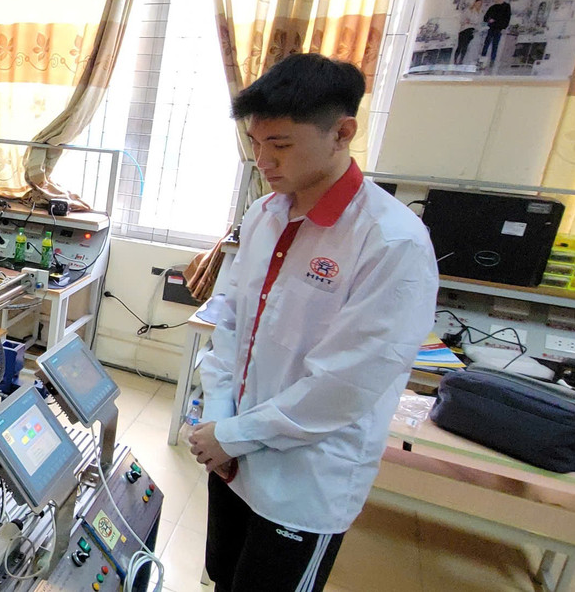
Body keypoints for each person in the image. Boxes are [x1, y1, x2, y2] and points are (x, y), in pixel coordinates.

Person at [188, 54, 438, 591]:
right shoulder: (265, 216)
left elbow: (343, 386)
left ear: (342, 132)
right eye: (255, 144)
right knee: (223, 578)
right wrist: (218, 420)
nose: (263, 161)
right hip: (232, 458)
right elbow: (230, 322)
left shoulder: (390, 242)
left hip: (301, 480)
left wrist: (233, 433)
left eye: (279, 146)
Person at [480, 0, 512, 69]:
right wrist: (489, 20)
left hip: (498, 29)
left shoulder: (507, 7)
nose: (498, 0)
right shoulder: (493, 7)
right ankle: (482, 61)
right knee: (486, 44)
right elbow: (485, 17)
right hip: (491, 28)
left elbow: (507, 19)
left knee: (495, 45)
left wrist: (503, 27)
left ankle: (492, 61)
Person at [454, 0, 484, 65]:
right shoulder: (468, 10)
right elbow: (462, 20)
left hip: (471, 30)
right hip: (463, 29)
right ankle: (455, 60)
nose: (478, 5)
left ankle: (461, 60)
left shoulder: (480, 13)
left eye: (480, 4)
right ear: (475, 2)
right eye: (477, 3)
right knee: (460, 46)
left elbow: (478, 22)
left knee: (465, 46)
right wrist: (467, 21)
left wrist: (472, 22)